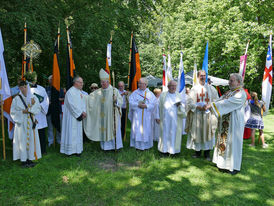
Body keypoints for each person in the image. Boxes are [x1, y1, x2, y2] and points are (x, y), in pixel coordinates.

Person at [206, 73, 247, 175]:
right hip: (225, 122)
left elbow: (228, 103)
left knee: (233, 143)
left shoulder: (240, 93)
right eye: (229, 80)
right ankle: (222, 164)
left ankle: (234, 167)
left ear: (238, 82)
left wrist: (212, 105)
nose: (229, 82)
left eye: (231, 80)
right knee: (223, 140)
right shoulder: (229, 92)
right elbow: (220, 100)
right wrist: (211, 104)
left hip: (234, 124)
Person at [84, 69, 123, 150]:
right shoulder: (98, 92)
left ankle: (116, 146)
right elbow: (89, 98)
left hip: (112, 115)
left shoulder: (114, 91)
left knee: (113, 129)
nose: (102, 84)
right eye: (101, 82)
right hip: (102, 116)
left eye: (104, 82)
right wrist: (82, 96)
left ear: (108, 82)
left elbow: (120, 102)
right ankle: (105, 148)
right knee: (103, 131)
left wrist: (116, 100)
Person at [185, 70, 219, 161]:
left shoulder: (211, 89)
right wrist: (197, 106)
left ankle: (207, 153)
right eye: (201, 76)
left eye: (204, 76)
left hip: (208, 115)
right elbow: (189, 101)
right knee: (197, 133)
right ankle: (197, 152)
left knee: (208, 133)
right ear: (198, 76)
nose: (203, 77)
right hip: (197, 115)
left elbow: (217, 101)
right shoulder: (194, 89)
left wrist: (209, 105)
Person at [10, 80, 42, 167]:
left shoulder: (33, 98)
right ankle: (23, 160)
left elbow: (38, 109)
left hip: (31, 122)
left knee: (31, 140)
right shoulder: (16, 99)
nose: (24, 89)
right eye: (22, 87)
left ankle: (30, 159)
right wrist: (22, 112)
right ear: (19, 88)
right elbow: (12, 112)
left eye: (25, 87)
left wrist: (30, 108)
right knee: (22, 141)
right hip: (21, 123)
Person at [156, 81, 186, 154]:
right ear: (168, 86)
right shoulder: (163, 95)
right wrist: (157, 116)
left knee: (174, 134)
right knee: (165, 133)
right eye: (171, 85)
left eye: (174, 86)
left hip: (175, 119)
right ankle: (164, 150)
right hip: (165, 118)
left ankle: (173, 151)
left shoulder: (178, 95)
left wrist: (180, 105)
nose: (173, 87)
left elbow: (183, 107)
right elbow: (157, 106)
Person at [60, 76, 87, 156]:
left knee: (78, 133)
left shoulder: (79, 92)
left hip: (79, 115)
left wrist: (84, 112)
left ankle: (77, 150)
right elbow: (71, 106)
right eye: (81, 82)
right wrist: (80, 114)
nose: (82, 84)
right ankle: (70, 151)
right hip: (71, 117)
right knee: (71, 133)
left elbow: (83, 103)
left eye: (82, 82)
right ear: (76, 83)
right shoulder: (70, 92)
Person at [129, 77, 157, 150]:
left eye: (142, 83)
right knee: (137, 130)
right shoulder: (135, 93)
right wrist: (137, 104)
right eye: (139, 83)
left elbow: (154, 104)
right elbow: (131, 102)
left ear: (146, 84)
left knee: (146, 130)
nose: (140, 85)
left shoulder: (150, 94)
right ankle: (137, 146)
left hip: (146, 116)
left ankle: (146, 146)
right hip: (137, 116)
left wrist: (146, 106)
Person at [28, 72, 49, 155]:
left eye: (35, 78)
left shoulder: (41, 89)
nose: (34, 79)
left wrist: (39, 106)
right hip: (30, 113)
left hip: (40, 113)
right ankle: (32, 151)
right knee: (31, 132)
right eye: (32, 78)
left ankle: (43, 150)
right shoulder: (25, 89)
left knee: (41, 133)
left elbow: (46, 100)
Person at [46, 75, 64, 146]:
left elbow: (63, 98)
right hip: (49, 110)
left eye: (53, 79)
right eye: (51, 79)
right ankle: (50, 141)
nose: (52, 80)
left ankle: (59, 140)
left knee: (59, 126)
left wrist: (57, 100)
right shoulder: (46, 89)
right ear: (49, 81)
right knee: (50, 127)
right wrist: (48, 102)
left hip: (58, 110)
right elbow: (43, 99)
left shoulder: (60, 89)